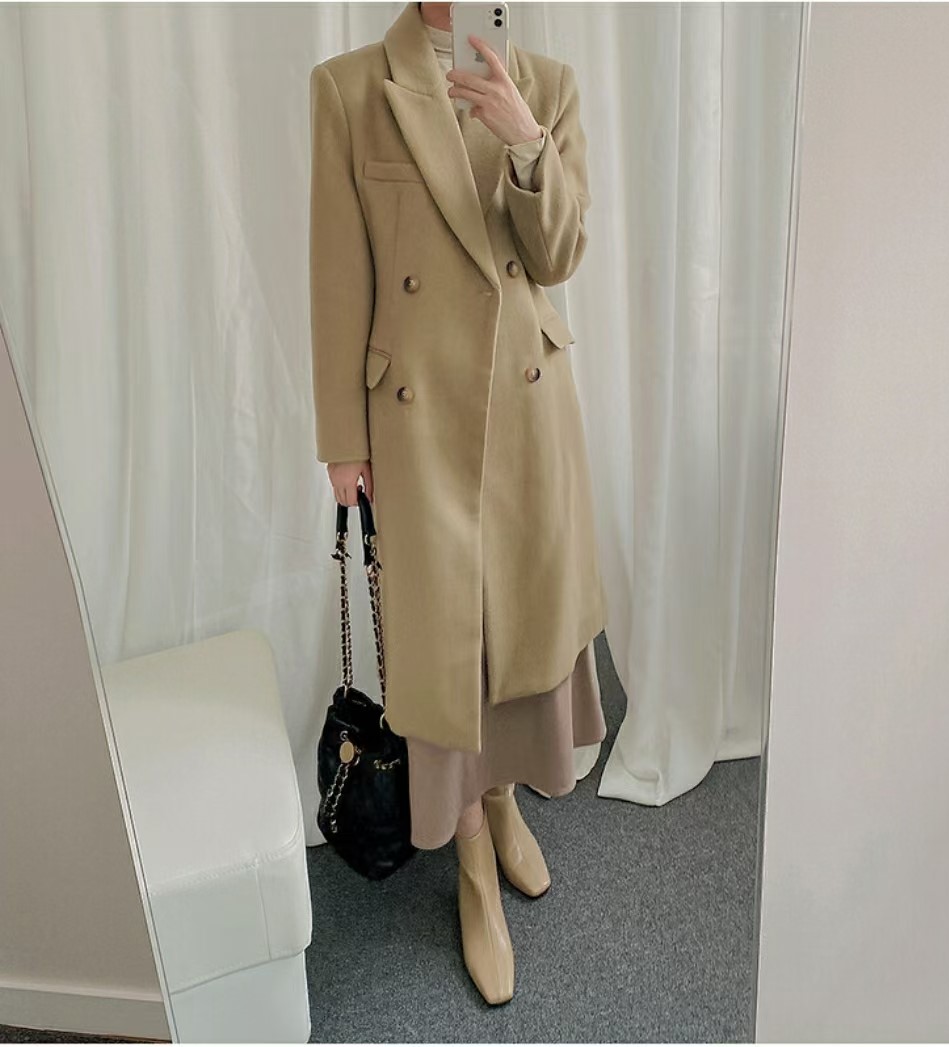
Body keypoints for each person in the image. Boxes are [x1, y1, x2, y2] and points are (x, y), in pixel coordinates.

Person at [309, 0, 608, 1005]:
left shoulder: (549, 84)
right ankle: (471, 854)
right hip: (414, 417)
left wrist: (525, 139)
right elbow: (337, 272)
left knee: (517, 626)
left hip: (526, 405)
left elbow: (559, 256)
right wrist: (341, 441)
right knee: (442, 643)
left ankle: (505, 795)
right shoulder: (349, 89)